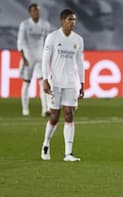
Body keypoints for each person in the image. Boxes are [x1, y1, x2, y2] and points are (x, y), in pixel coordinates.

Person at [40, 9, 84, 162]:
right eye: (70, 19)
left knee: (69, 114)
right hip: (55, 82)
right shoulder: (52, 37)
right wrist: (45, 79)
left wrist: (82, 83)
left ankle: (68, 153)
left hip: (71, 83)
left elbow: (80, 62)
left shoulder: (78, 39)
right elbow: (45, 60)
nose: (73, 23)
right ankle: (46, 143)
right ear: (62, 20)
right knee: (54, 116)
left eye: (74, 20)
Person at [17, 3, 50, 117]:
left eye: (38, 10)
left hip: (40, 56)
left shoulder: (45, 25)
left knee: (42, 82)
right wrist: (23, 57)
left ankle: (45, 108)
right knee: (27, 82)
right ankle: (25, 109)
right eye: (34, 10)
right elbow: (20, 41)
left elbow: (47, 41)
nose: (37, 12)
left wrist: (47, 56)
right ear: (30, 12)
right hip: (28, 56)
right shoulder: (25, 25)